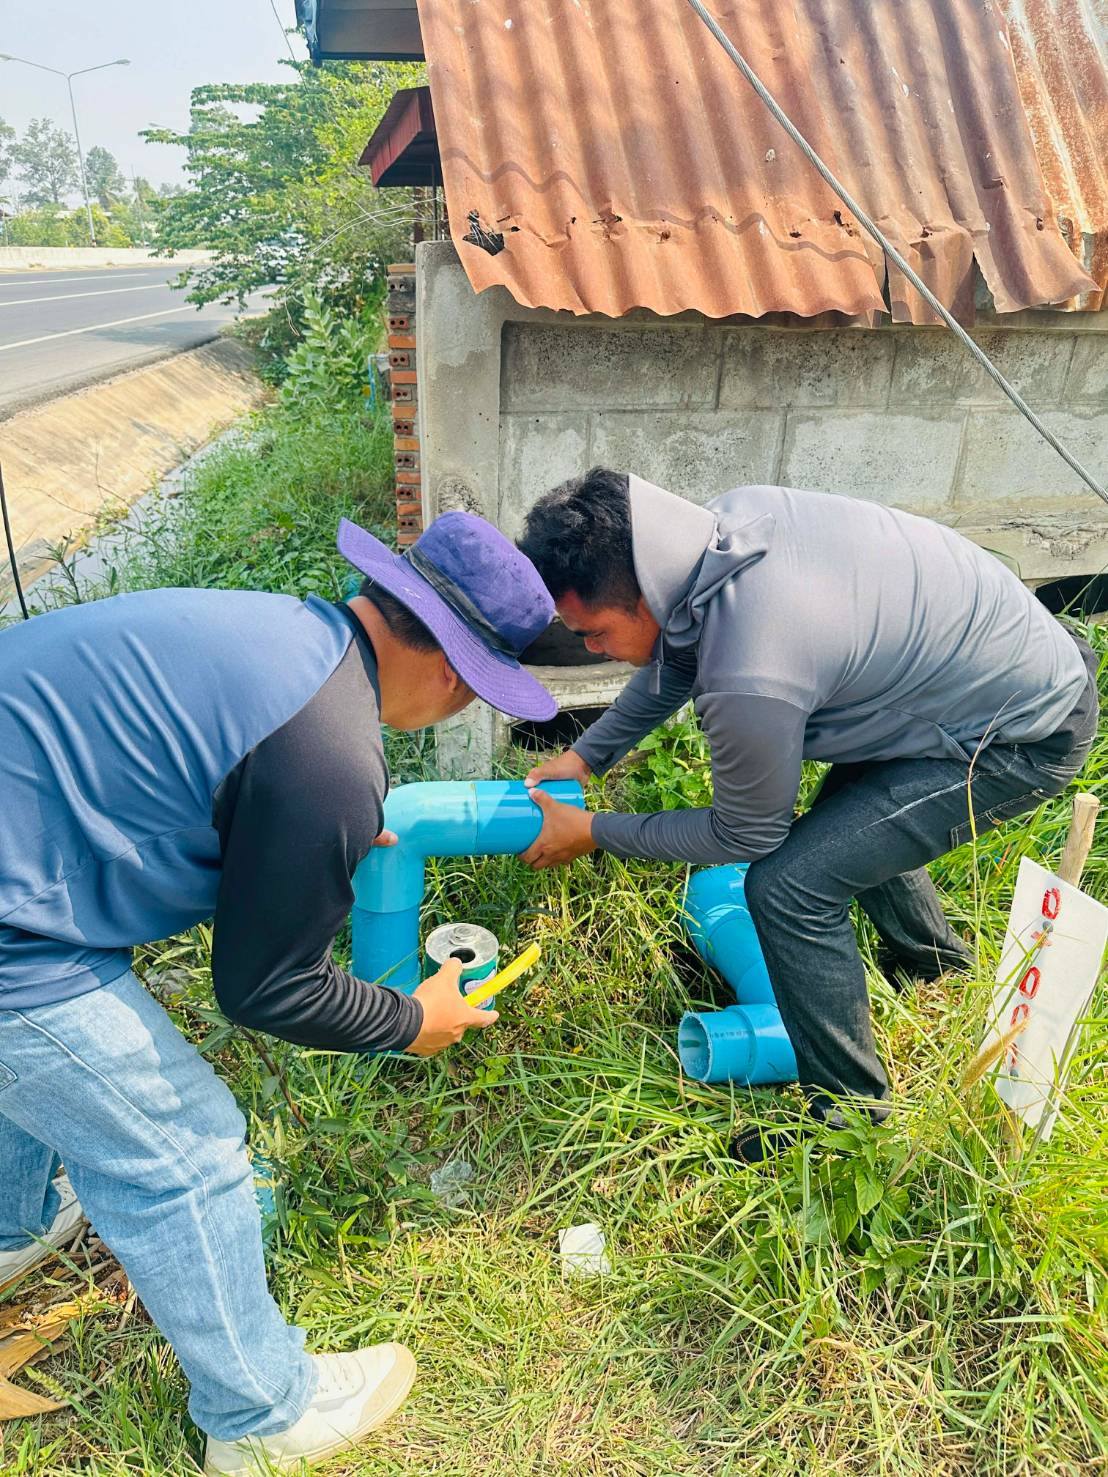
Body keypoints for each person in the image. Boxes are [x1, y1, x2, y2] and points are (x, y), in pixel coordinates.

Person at [0, 512, 557, 1474]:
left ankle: (8, 1228)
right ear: (456, 674)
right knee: (185, 1148)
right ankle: (259, 1414)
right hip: (13, 933)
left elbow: (188, 777)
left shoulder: (285, 641)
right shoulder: (327, 752)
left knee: (49, 1074)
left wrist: (302, 827)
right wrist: (409, 1019)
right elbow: (263, 988)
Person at [517, 469, 1099, 1161]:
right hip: (987, 674)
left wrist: (594, 832)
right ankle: (935, 966)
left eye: (594, 633)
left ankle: (849, 1121)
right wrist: (587, 756)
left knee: (790, 885)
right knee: (848, 829)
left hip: (1022, 735)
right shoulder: (717, 533)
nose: (590, 649)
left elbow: (746, 832)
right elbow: (675, 655)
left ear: (646, 594)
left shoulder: (752, 666)